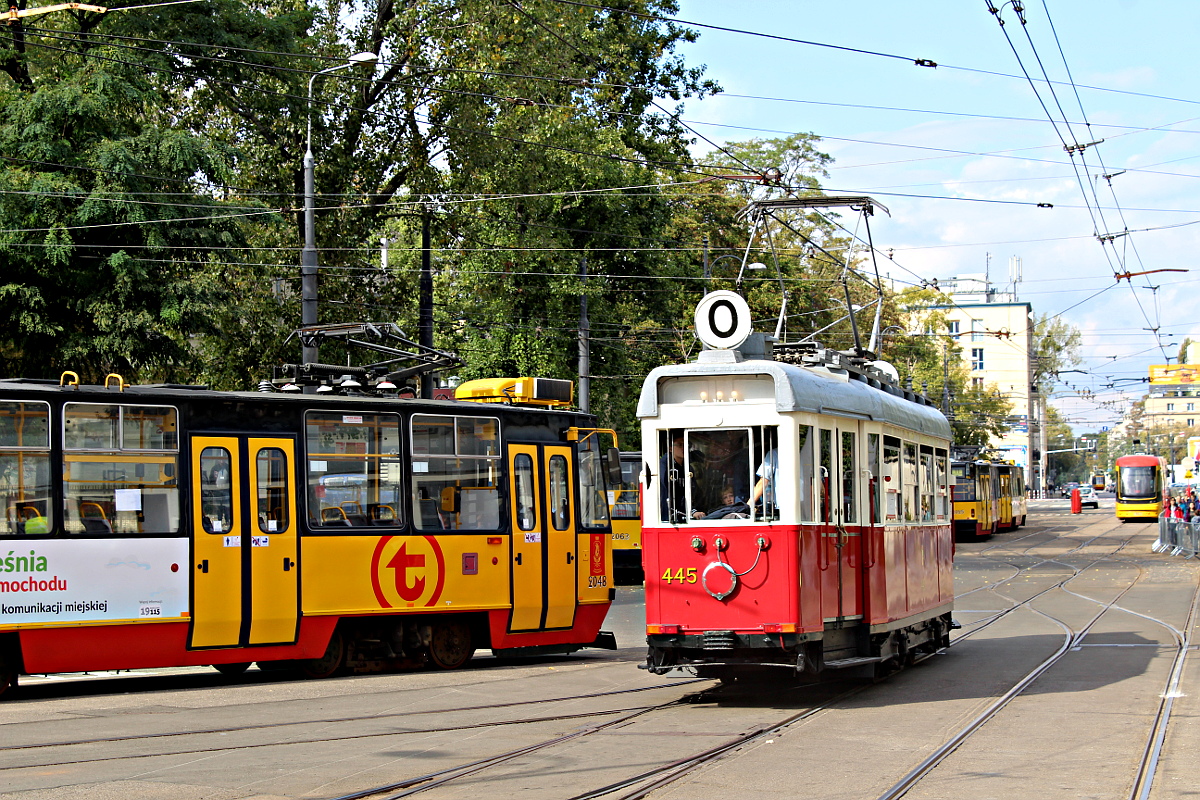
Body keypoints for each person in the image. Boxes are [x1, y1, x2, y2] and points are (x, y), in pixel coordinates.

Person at [659, 435, 689, 523]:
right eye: (680, 445)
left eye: (686, 445)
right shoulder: (664, 466)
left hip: (684, 514)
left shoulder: (687, 466)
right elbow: (667, 491)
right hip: (668, 517)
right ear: (670, 449)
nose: (684, 448)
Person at [750, 446, 778, 513]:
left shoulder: (774, 453)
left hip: (782, 506)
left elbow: (763, 482)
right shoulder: (804, 452)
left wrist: (748, 506)